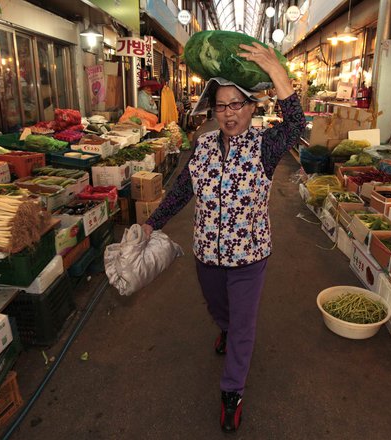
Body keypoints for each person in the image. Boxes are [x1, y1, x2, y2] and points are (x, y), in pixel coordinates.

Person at [141, 42, 305, 433]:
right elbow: (183, 189)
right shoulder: (203, 145)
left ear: (251, 107)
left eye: (236, 105)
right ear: (211, 109)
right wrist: (153, 223)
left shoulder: (266, 146)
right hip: (207, 254)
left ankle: (232, 391)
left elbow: (297, 125)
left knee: (244, 325)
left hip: (250, 256)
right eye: (221, 105)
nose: (229, 114)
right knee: (220, 310)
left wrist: (277, 73)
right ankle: (225, 328)